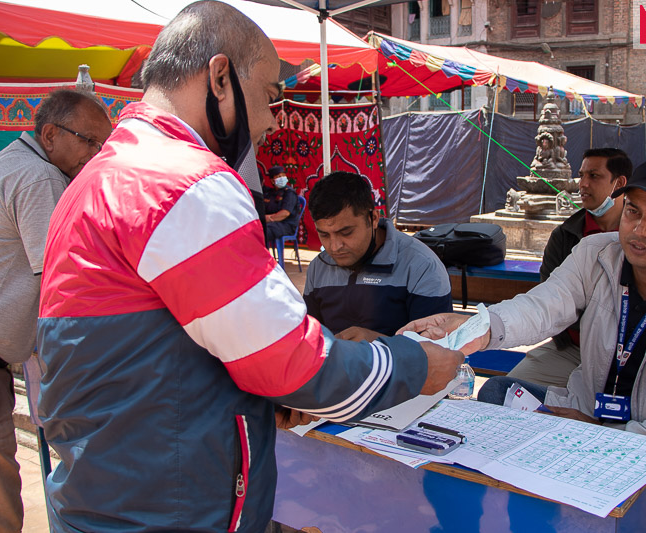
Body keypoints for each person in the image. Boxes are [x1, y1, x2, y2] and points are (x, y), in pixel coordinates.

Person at [36, 3, 463, 531]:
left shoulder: (99, 178)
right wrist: (417, 364)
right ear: (220, 78)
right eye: (267, 96)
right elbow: (293, 364)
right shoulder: (184, 184)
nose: (270, 121)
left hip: (107, 493)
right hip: (170, 510)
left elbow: (151, 354)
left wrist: (252, 399)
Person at [399, 158, 646, 522]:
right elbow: (543, 306)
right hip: (584, 418)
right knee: (497, 394)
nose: (640, 230)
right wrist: (476, 325)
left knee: (587, 507)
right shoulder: (596, 254)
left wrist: (606, 433)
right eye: (633, 212)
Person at [0, 88, 111, 533]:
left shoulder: (13, 165)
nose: (96, 154)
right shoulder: (40, 177)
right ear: (51, 134)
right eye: (89, 141)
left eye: (104, 144)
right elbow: (65, 286)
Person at [508, 148, 632, 387]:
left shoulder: (638, 236)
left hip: (628, 354)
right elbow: (550, 299)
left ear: (619, 183)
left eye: (594, 176)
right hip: (573, 350)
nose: (582, 184)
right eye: (581, 175)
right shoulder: (565, 236)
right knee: (511, 389)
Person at [303, 171, 453, 342]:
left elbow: (437, 351)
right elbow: (311, 337)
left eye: (346, 232)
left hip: (403, 369)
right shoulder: (318, 267)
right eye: (324, 235)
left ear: (373, 218)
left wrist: (376, 343)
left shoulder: (422, 266)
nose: (335, 246)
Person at [263, 165, 299, 244]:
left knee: (264, 231)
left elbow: (285, 213)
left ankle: (263, 255)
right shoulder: (270, 193)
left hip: (286, 224)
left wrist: (269, 218)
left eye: (283, 176)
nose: (282, 178)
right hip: (274, 223)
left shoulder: (289, 193)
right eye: (279, 176)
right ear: (272, 181)